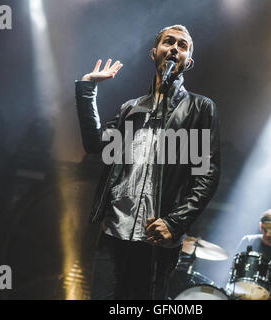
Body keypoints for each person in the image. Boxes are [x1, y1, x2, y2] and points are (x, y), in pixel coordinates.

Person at [75, 25, 220, 299]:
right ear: (154, 53)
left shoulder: (199, 109)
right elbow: (95, 145)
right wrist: (87, 88)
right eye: (168, 42)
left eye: (182, 45)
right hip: (114, 233)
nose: (174, 48)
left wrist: (175, 223)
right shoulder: (131, 108)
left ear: (188, 61)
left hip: (156, 240)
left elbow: (206, 176)